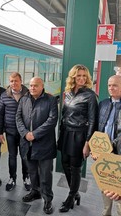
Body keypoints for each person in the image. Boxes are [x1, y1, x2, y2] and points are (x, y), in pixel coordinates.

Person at [57, 64, 98, 213]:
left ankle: (70, 197)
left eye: (84, 76)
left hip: (79, 135)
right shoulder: (67, 93)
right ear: (73, 76)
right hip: (66, 133)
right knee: (65, 164)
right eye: (78, 75)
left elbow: (93, 121)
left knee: (75, 168)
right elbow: (64, 114)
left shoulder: (90, 95)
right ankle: (76, 193)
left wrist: (88, 143)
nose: (81, 78)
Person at [16, 77, 58, 215]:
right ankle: (35, 191)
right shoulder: (24, 99)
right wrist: (25, 133)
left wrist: (34, 134)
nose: (32, 88)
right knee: (32, 171)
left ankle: (47, 199)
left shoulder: (50, 100)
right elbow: (18, 118)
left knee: (45, 174)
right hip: (27, 143)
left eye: (36, 85)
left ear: (42, 86)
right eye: (31, 85)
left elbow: (52, 120)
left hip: (44, 144)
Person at [0, 72, 30, 191]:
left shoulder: (28, 94)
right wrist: (0, 132)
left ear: (21, 81)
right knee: (12, 156)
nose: (13, 83)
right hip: (10, 132)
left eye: (16, 80)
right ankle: (12, 178)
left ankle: (26, 178)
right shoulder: (4, 95)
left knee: (25, 156)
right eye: (11, 81)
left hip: (24, 132)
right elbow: (0, 115)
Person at [94, 75, 121, 216]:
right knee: (105, 188)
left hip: (118, 156)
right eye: (109, 85)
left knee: (118, 192)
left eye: (115, 85)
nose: (111, 88)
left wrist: (112, 144)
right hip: (104, 156)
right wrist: (95, 148)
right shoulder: (103, 104)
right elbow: (99, 129)